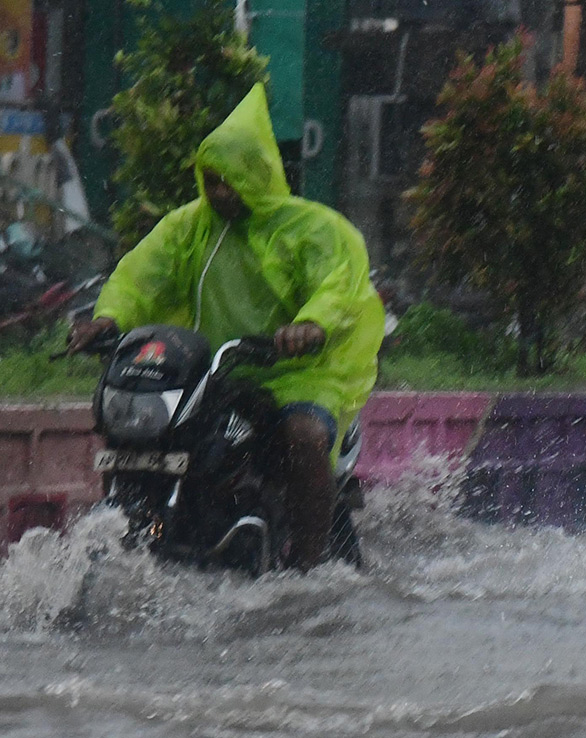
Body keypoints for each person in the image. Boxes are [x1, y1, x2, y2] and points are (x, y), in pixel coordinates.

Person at [68, 84, 385, 569]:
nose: (220, 192)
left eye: (231, 180)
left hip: (300, 372)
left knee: (302, 437)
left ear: (258, 173)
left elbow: (339, 287)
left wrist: (309, 325)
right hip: (215, 374)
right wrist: (108, 318)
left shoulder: (314, 228)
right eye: (211, 180)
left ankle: (310, 568)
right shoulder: (188, 226)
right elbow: (139, 275)